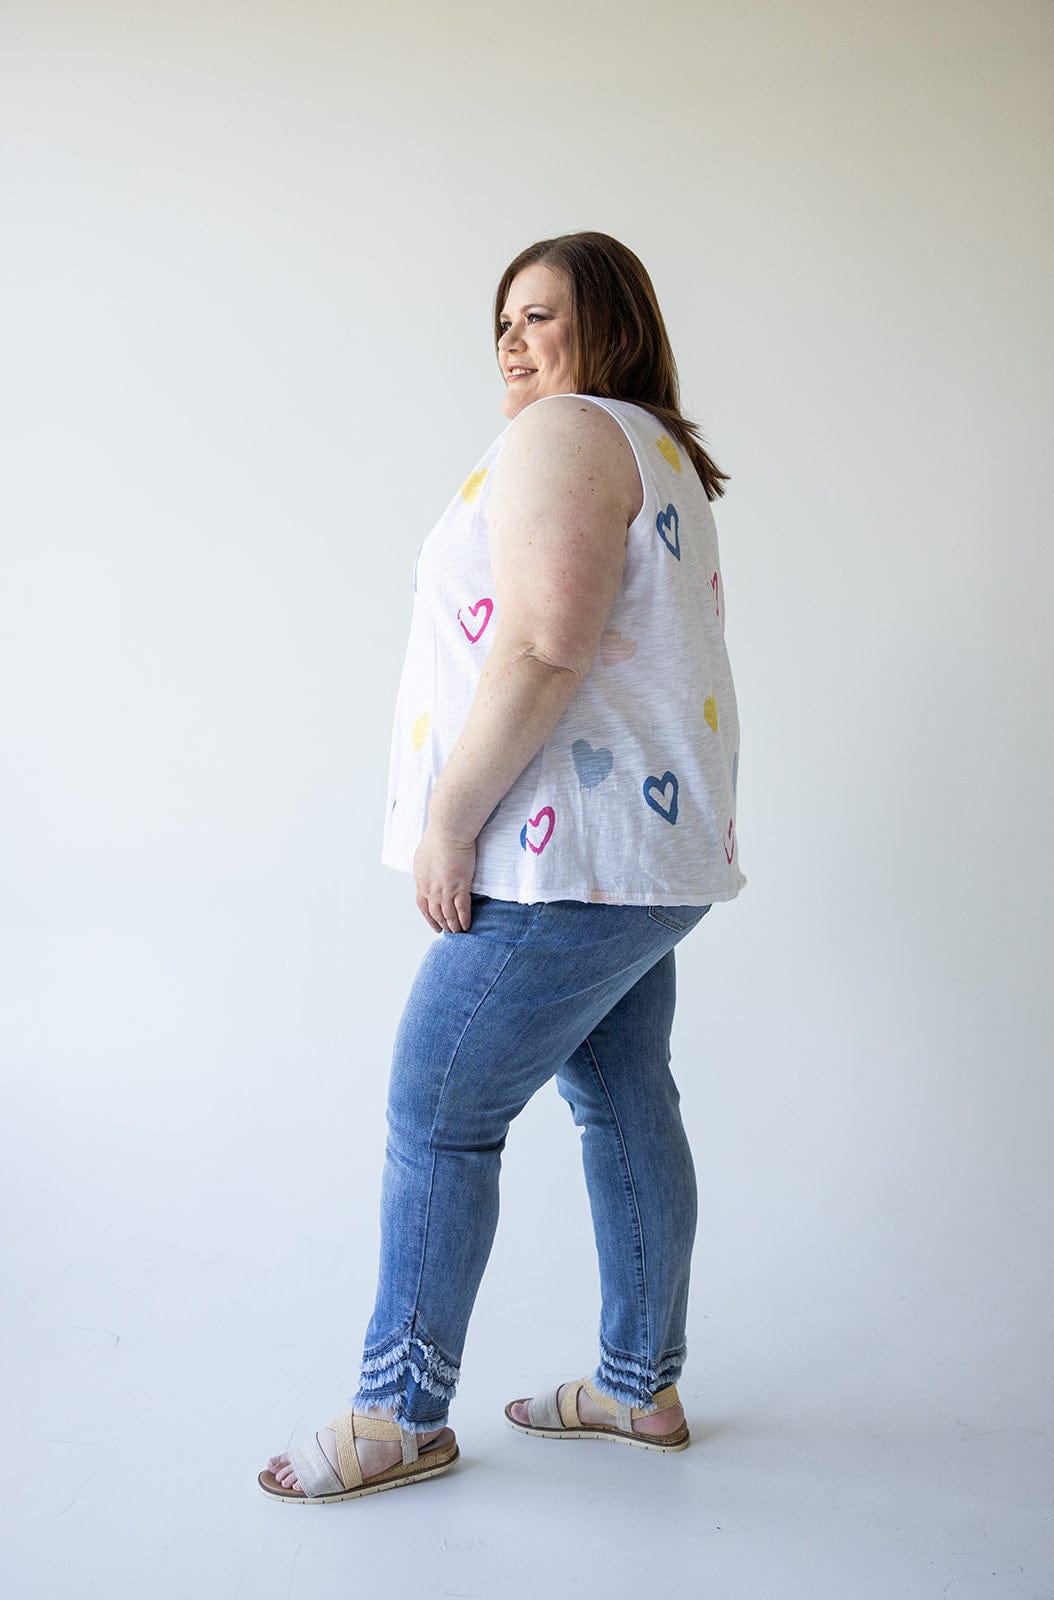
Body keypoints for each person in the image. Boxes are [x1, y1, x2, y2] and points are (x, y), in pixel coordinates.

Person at [259, 231, 746, 1503]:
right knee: (624, 1094)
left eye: (543, 316)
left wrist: (446, 820)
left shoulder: (567, 434)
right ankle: (638, 1383)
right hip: (649, 854)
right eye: (502, 324)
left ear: (612, 326)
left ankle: (396, 1414)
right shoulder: (658, 452)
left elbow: (539, 646)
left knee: (437, 1109)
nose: (513, 343)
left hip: (559, 857)